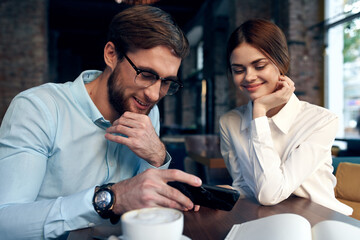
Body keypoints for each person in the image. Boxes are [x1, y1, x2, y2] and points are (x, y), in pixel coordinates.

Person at [0, 5, 202, 239]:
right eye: (146, 74)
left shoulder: (147, 112)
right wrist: (109, 198)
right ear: (111, 55)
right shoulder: (39, 108)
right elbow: (5, 222)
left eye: (167, 82)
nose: (155, 95)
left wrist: (157, 157)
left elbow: (145, 209)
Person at [219, 19, 353, 216]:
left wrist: (260, 112)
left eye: (259, 66)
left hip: (320, 220)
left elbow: (270, 194)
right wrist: (223, 192)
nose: (248, 77)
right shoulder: (229, 122)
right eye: (238, 70)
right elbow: (246, 186)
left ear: (281, 63)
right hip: (268, 219)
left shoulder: (322, 121)